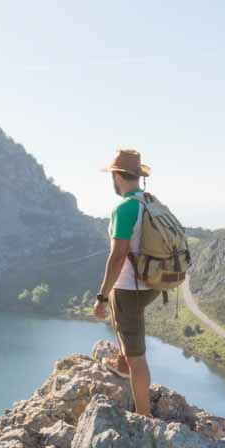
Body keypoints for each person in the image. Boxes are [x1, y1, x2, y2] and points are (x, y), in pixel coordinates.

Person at [93, 147, 157, 416]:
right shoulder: (149, 201)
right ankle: (120, 363)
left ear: (117, 176)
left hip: (129, 287)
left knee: (137, 356)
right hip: (152, 283)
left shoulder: (125, 207)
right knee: (124, 325)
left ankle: (145, 417)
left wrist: (102, 296)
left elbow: (118, 255)